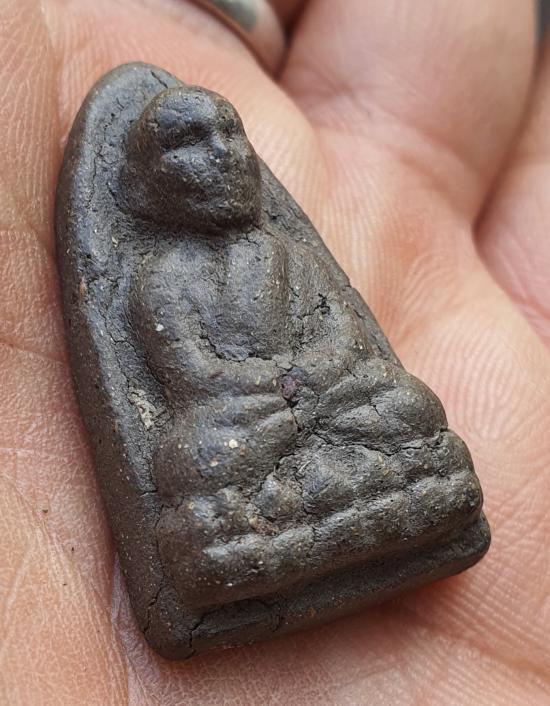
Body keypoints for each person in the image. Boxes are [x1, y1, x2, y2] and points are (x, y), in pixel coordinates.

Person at [1, 0, 549, 703]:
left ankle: (316, 520)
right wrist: (278, 397)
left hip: (324, 400)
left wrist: (310, 385)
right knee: (198, 454)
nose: (222, 154)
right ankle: (349, 513)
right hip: (247, 418)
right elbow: (191, 377)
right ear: (150, 179)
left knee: (403, 403)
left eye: (230, 134)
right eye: (191, 144)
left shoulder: (281, 250)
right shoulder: (162, 275)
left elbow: (342, 339)